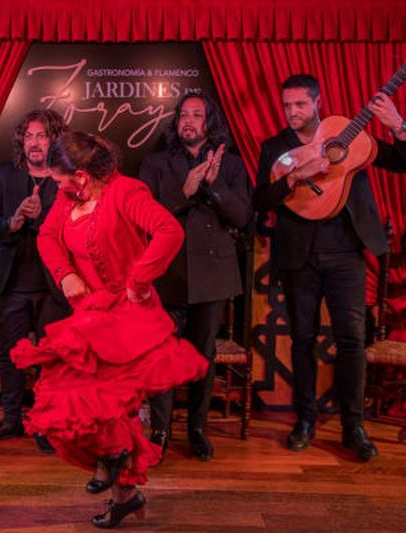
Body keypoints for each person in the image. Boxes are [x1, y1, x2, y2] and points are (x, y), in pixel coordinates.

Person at [11, 131, 210, 529]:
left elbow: (170, 231)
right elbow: (49, 237)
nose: (57, 186)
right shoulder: (69, 199)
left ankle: (122, 486)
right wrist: (65, 273)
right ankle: (121, 487)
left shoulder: (127, 193)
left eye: (60, 180)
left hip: (128, 316)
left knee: (110, 407)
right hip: (90, 314)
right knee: (74, 402)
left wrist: (139, 279)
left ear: (81, 176)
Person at [254, 74, 406, 462]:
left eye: (300, 105)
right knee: (303, 340)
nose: (292, 112)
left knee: (351, 341)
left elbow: (403, 162)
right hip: (299, 255)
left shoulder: (349, 135)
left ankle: (352, 426)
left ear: (317, 102)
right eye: (287, 106)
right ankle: (305, 420)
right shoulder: (275, 147)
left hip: (346, 252)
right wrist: (294, 176)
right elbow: (261, 199)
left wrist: (399, 127)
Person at [139, 93, 253, 461]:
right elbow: (142, 216)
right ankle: (159, 430)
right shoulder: (156, 163)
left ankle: (198, 429)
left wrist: (215, 187)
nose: (189, 120)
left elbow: (242, 218)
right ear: (176, 122)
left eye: (197, 115)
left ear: (209, 122)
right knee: (161, 357)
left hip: (212, 275)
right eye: (183, 115)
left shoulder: (232, 165)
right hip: (166, 274)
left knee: (203, 355)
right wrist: (184, 192)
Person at [0, 110, 71, 451]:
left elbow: (73, 231)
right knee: (10, 355)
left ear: (54, 140)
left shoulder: (66, 180)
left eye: (41, 136)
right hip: (12, 282)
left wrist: (43, 218)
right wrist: (12, 223)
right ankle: (12, 420)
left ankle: (44, 424)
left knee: (50, 359)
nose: (34, 142)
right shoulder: (5, 175)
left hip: (52, 286)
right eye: (29, 136)